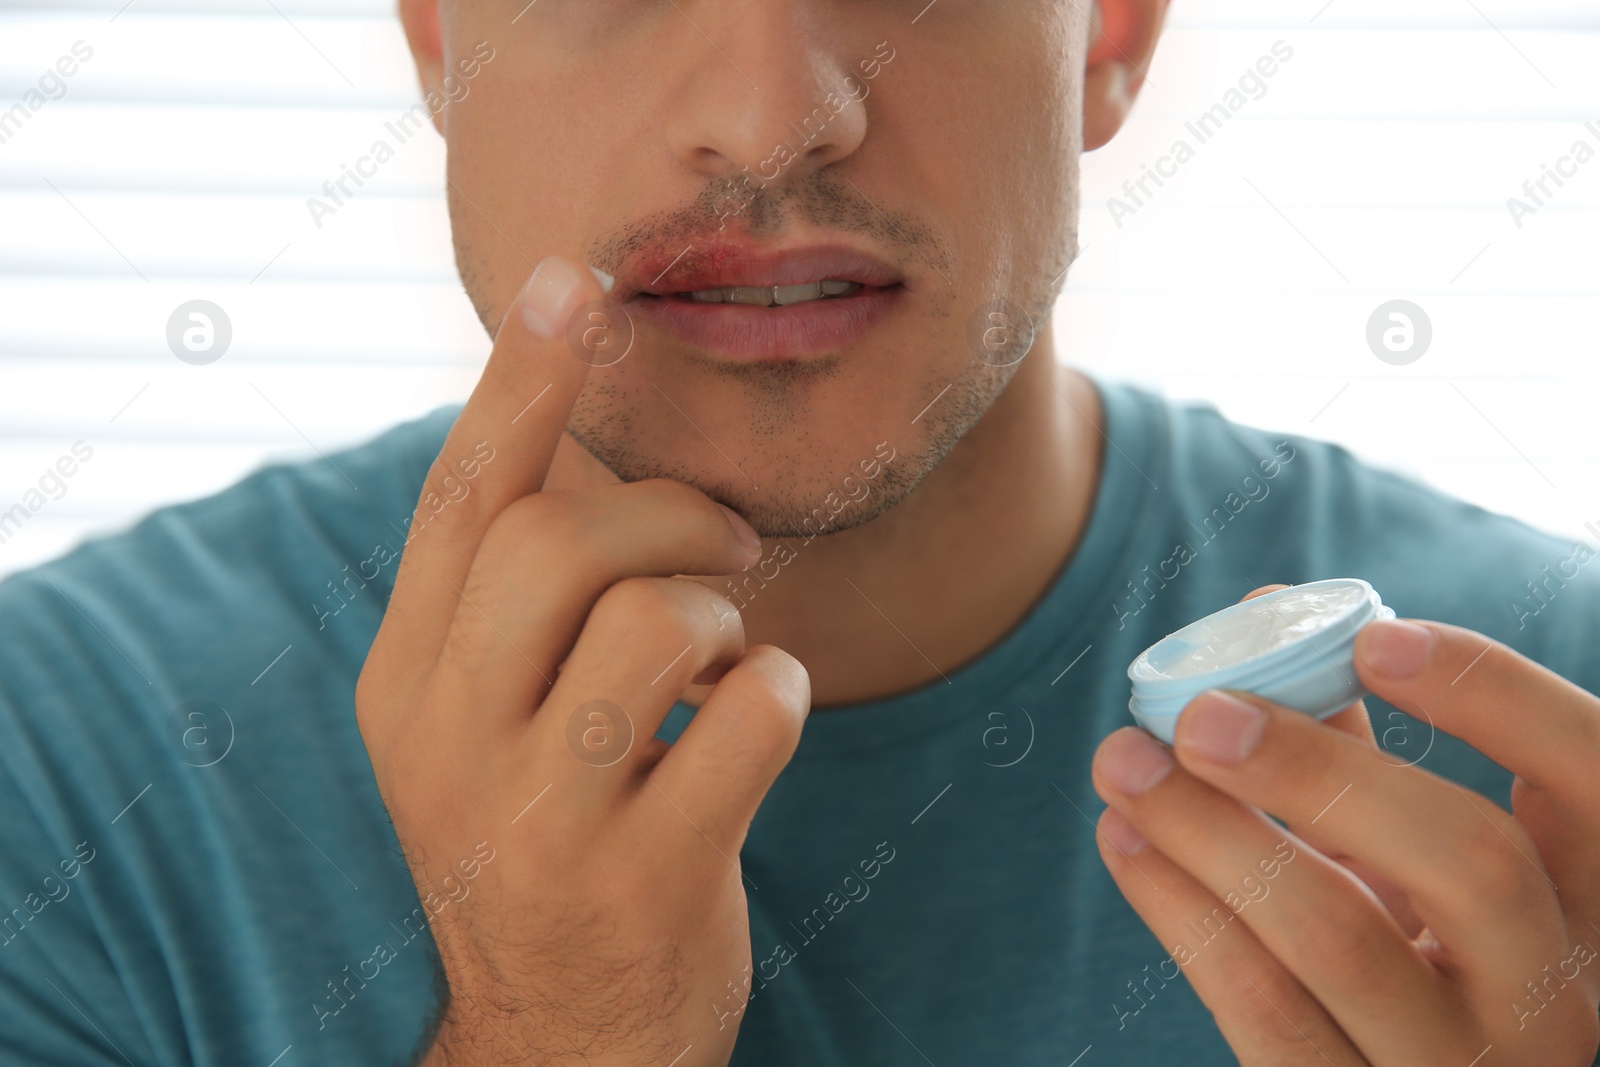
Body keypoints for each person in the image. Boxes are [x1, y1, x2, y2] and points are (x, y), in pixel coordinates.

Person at [3, 1, 1597, 1064]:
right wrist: (553, 1036)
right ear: (434, 31)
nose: (771, 123)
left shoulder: (1568, 747)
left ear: (1110, 34)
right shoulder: (47, 779)